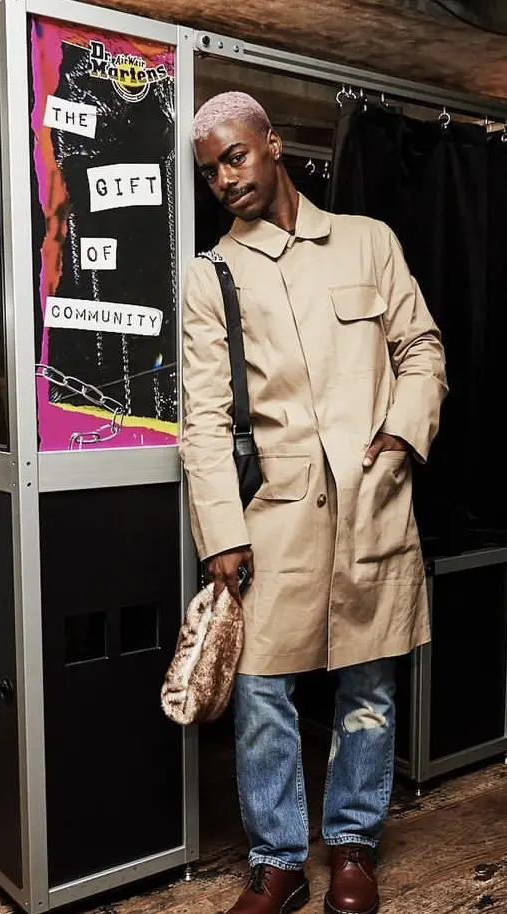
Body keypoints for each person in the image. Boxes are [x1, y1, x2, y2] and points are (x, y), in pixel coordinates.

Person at [180, 91, 447, 914]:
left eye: (235, 156)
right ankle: (278, 861)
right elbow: (203, 417)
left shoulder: (370, 243)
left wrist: (402, 435)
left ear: (274, 143)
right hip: (275, 517)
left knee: (369, 684)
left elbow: (421, 349)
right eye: (209, 171)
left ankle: (355, 847)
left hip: (373, 504)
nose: (225, 179)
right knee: (262, 690)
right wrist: (221, 533)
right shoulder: (210, 275)